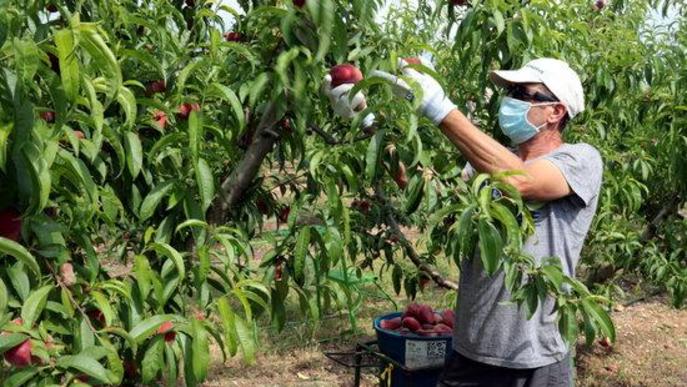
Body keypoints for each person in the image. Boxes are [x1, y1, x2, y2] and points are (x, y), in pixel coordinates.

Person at [323, 57, 603, 386]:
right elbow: (420, 187)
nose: (509, 99)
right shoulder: (484, 168)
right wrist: (367, 121)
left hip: (536, 359)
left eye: (522, 92)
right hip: (470, 351)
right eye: (509, 91)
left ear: (556, 111)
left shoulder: (580, 159)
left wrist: (440, 108)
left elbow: (521, 182)